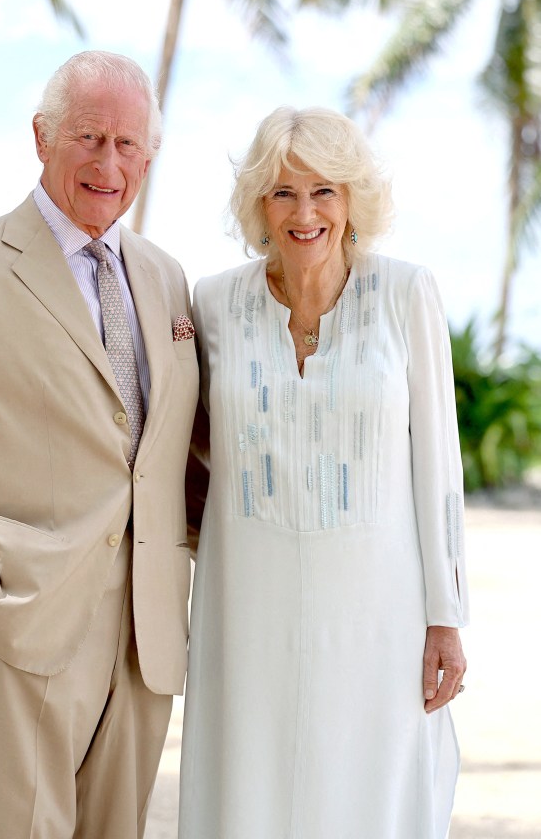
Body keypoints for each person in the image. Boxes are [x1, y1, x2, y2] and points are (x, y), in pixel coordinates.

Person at [0, 50, 202, 839]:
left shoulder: (167, 279)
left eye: (129, 145)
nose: (108, 162)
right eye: (88, 137)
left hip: (146, 634)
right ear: (41, 137)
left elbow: (179, 454)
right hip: (18, 620)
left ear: (150, 157)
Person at [178, 106, 469, 839]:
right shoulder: (213, 303)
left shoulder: (406, 294)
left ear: (352, 202)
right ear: (258, 206)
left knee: (371, 790)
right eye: (282, 193)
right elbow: (181, 448)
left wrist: (447, 615)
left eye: (324, 192)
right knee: (248, 785)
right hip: (245, 602)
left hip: (381, 607)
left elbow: (439, 465)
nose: (304, 213)